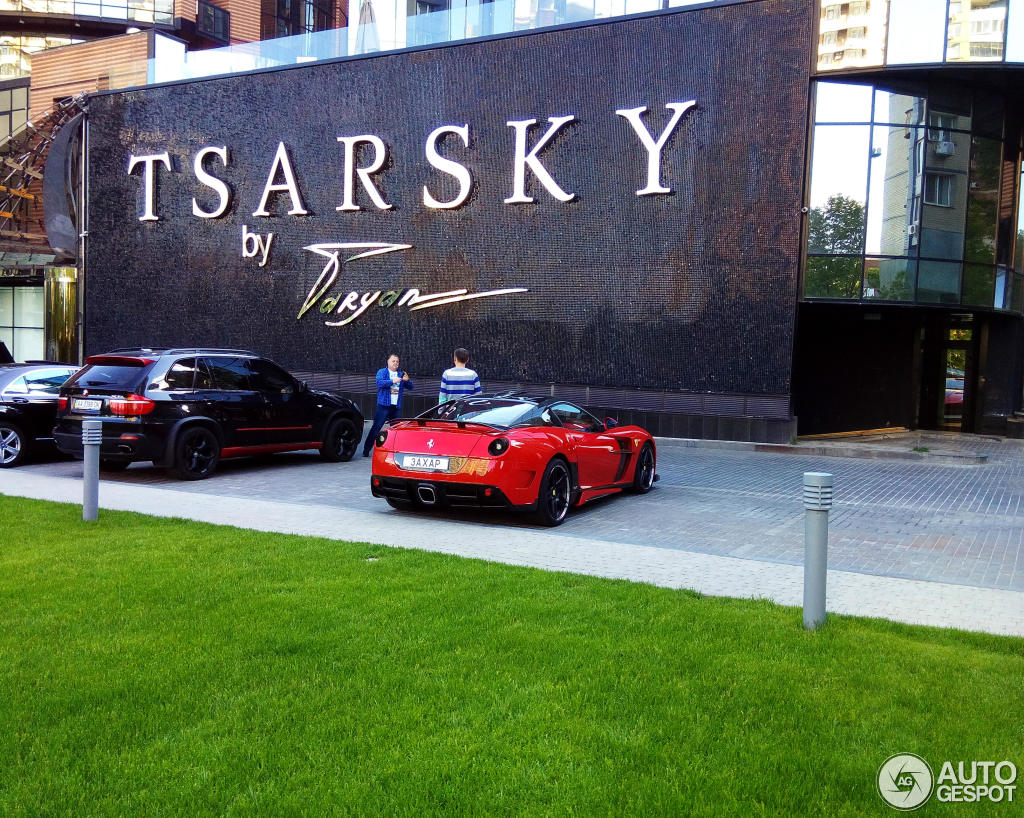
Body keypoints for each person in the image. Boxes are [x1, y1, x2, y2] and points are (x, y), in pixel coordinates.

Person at [362, 353, 413, 457]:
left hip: (396, 407)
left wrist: (408, 381)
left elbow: (411, 387)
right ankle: (366, 450)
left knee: (396, 431)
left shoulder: (401, 374)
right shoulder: (382, 372)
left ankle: (396, 452)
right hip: (383, 406)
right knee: (376, 428)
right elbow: (379, 383)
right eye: (393, 361)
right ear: (388, 362)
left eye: (397, 361)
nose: (395, 363)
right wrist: (392, 381)